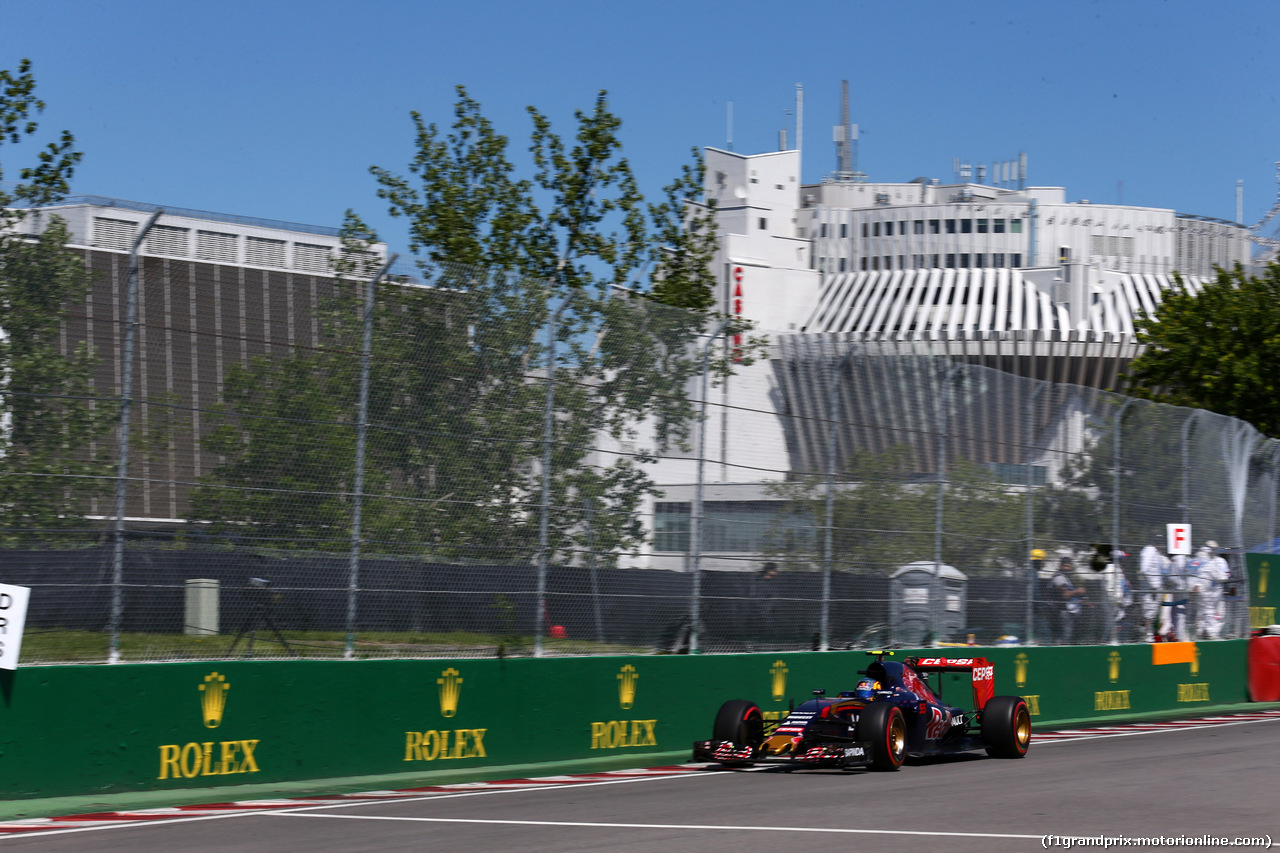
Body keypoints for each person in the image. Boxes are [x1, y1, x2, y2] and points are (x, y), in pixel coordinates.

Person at [1194, 541, 1230, 639]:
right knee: (1206, 613)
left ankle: (1209, 632)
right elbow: (1222, 576)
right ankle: (1207, 633)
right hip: (1207, 592)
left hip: (1216, 592)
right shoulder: (1203, 560)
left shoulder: (1220, 561)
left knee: (1218, 613)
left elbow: (1226, 574)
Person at [1139, 537, 1169, 641]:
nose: (1160, 544)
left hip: (1156, 590)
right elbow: (1144, 569)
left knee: (1153, 613)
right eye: (1158, 541)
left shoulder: (1156, 553)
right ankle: (1145, 636)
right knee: (1148, 612)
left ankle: (1148, 634)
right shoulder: (1148, 551)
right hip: (1150, 590)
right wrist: (1153, 585)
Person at [1051, 557, 1087, 643]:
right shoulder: (1059, 578)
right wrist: (1078, 591)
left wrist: (1080, 601)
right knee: (1064, 638)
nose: (1068, 568)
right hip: (1063, 613)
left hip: (1069, 613)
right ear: (1061, 566)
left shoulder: (1065, 578)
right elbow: (1065, 595)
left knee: (1068, 636)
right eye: (1066, 566)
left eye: (1069, 566)